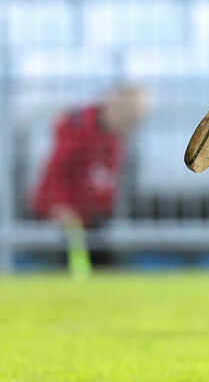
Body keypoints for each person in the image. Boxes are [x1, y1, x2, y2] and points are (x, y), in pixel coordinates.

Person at [30, 85, 149, 267]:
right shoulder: (79, 128)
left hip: (90, 218)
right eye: (128, 119)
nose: (129, 126)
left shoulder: (114, 136)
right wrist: (61, 206)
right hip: (63, 217)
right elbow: (57, 170)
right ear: (114, 108)